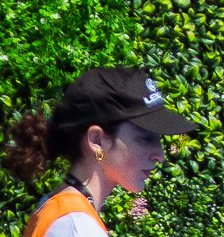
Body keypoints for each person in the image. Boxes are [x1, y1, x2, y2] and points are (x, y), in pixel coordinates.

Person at [19, 70, 199, 237]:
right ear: (97, 140)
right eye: (145, 137)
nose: (159, 155)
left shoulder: (63, 212)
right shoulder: (76, 227)